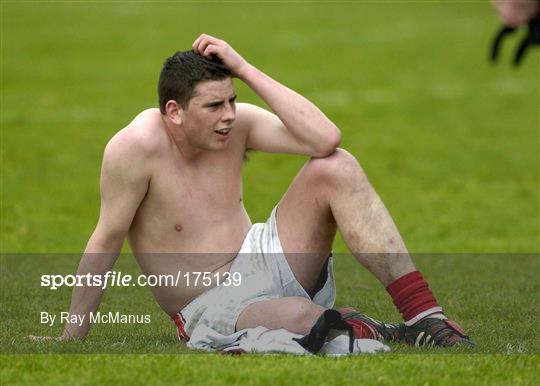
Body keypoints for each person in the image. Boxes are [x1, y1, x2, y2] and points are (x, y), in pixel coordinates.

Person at [30, 34, 473, 348]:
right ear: (174, 112)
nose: (228, 116)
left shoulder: (235, 124)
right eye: (214, 105)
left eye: (232, 101)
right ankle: (378, 331)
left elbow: (324, 138)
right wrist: (72, 334)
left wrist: (243, 69)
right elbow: (105, 240)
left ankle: (425, 319)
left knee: (336, 166)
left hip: (264, 254)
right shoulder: (134, 148)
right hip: (209, 304)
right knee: (304, 323)